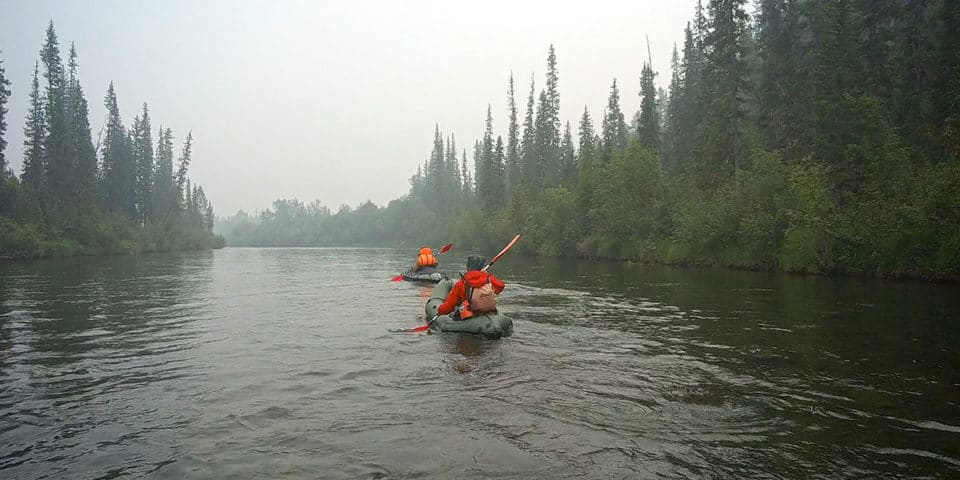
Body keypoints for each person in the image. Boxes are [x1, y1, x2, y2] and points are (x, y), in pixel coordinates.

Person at [437, 254, 505, 320]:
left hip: (469, 315)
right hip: (487, 313)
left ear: (468, 266)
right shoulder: (488, 279)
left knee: (456, 310)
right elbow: (501, 286)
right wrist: (486, 275)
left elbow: (449, 306)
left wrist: (440, 311)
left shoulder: (462, 283)